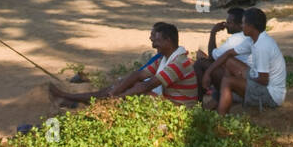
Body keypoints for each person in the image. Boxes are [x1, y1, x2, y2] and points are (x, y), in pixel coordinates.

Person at [48, 22, 197, 106]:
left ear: (168, 41)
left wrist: (118, 97)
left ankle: (93, 102)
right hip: (167, 98)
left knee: (136, 92)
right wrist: (116, 90)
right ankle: (74, 98)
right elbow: (138, 74)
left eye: (156, 42)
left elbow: (146, 85)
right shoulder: (164, 57)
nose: (154, 46)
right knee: (119, 85)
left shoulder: (179, 62)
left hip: (178, 107)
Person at [213, 7, 285, 116]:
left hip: (271, 95)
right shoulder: (254, 39)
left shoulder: (262, 46)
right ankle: (228, 97)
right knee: (229, 62)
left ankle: (220, 118)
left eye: (243, 24)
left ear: (251, 27)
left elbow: (264, 80)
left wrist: (243, 79)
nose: (241, 26)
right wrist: (208, 73)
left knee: (228, 81)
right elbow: (229, 54)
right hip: (263, 83)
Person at [194, 7, 253, 102]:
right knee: (213, 63)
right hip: (245, 79)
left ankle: (198, 102)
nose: (226, 25)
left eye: (229, 23)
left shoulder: (235, 39)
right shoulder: (247, 36)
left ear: (239, 25)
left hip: (240, 85)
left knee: (200, 63)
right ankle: (213, 99)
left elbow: (212, 56)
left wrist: (213, 33)